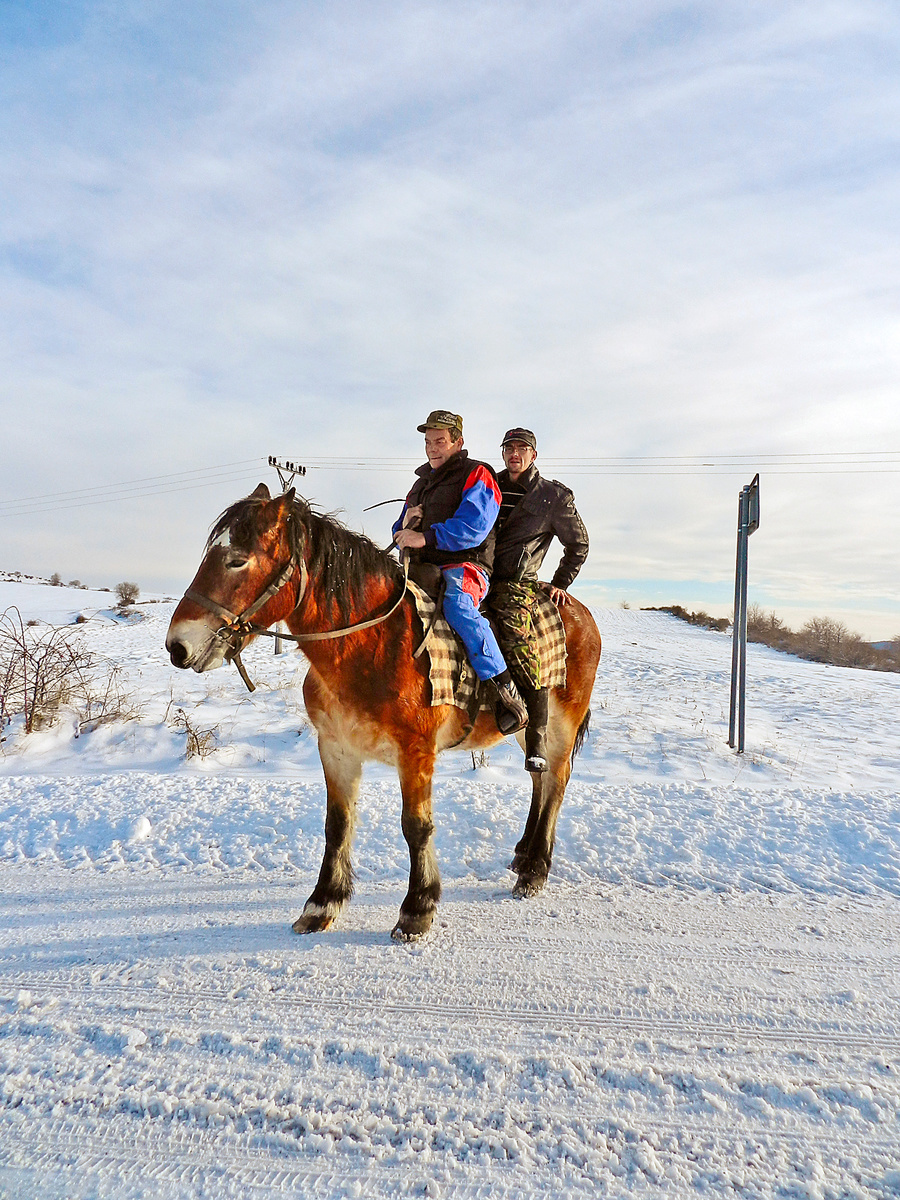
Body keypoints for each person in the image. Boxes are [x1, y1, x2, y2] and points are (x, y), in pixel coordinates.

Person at [393, 411, 528, 733]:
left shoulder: (478, 474)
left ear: (458, 442)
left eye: (440, 441)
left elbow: (473, 527)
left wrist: (425, 536)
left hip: (466, 564)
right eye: (428, 442)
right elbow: (399, 534)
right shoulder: (420, 484)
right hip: (421, 566)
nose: (432, 448)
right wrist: (405, 522)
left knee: (457, 605)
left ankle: (504, 689)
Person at [488, 427, 589, 773]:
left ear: (533, 455)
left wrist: (561, 583)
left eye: (522, 448)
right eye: (509, 448)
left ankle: (536, 733)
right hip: (477, 571)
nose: (514, 453)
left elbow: (578, 546)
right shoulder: (489, 485)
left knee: (517, 636)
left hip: (517, 583)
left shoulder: (553, 496)